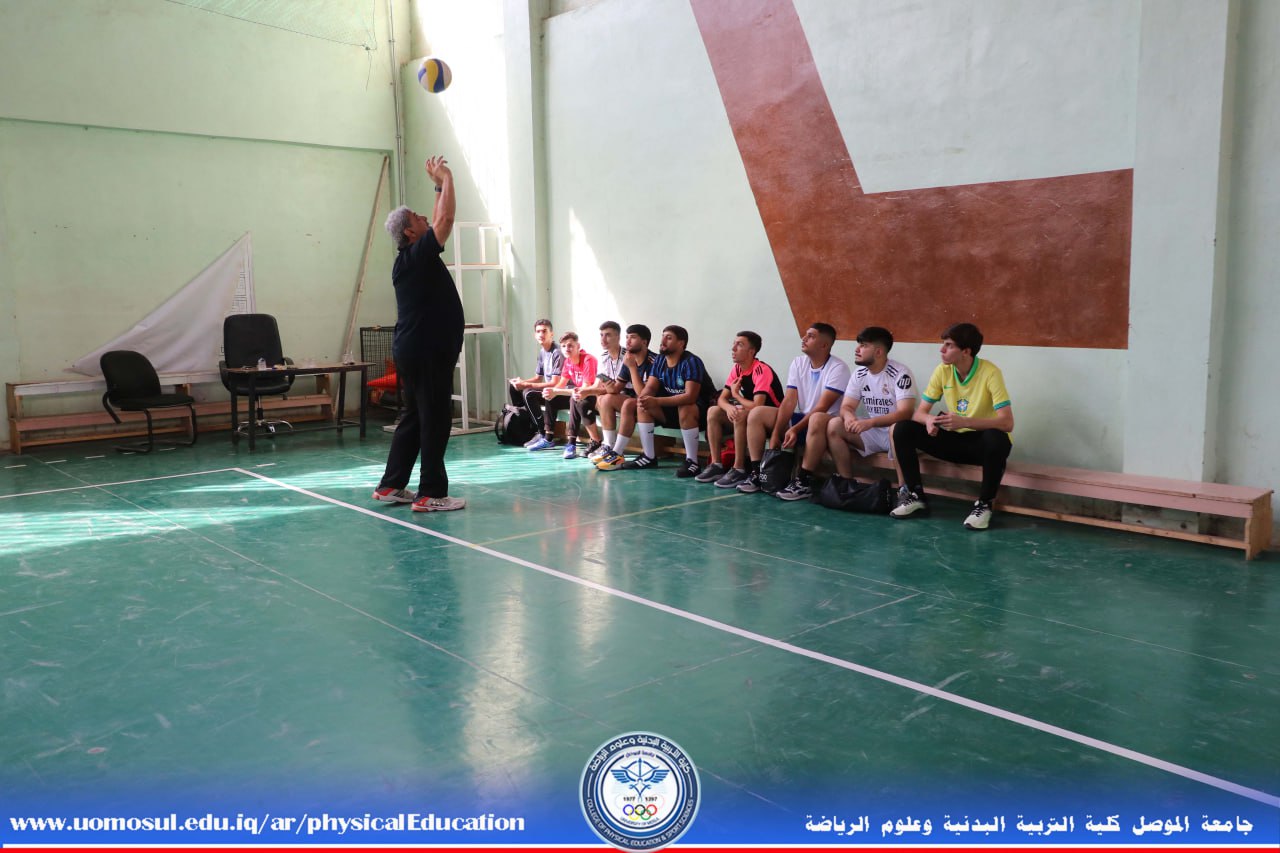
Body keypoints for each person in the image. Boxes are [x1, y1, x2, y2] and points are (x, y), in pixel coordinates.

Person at [371, 156, 465, 512]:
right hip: (427, 351)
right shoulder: (417, 255)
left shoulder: (412, 256)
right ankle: (431, 494)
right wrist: (448, 177)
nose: (425, 217)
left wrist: (438, 186)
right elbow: (446, 220)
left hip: (414, 350)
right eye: (417, 218)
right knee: (436, 419)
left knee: (414, 417)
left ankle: (391, 485)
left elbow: (436, 218)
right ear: (410, 233)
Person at [889, 322, 1013, 530]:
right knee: (903, 428)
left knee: (996, 438)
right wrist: (929, 420)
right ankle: (915, 495)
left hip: (980, 446)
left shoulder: (991, 372)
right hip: (954, 440)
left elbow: (1007, 423)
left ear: (966, 351)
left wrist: (966, 422)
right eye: (943, 344)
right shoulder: (943, 371)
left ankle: (984, 505)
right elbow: (918, 413)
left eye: (949, 345)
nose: (942, 349)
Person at [777, 326, 916, 501]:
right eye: (859, 344)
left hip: (897, 433)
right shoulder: (859, 374)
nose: (857, 349)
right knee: (835, 424)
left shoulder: (900, 373)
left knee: (896, 429)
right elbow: (847, 406)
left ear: (879, 352)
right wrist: (849, 417)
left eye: (863, 345)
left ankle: (905, 491)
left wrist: (870, 423)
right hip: (873, 432)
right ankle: (847, 484)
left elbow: (905, 413)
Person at [738, 323, 850, 494]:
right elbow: (789, 401)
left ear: (824, 345)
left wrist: (795, 429)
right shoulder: (798, 363)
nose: (804, 339)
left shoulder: (838, 368)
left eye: (811, 336)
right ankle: (758, 474)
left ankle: (803, 481)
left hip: (826, 425)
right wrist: (776, 433)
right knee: (756, 413)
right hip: (804, 420)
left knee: (816, 418)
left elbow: (822, 407)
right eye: (805, 334)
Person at [624, 325, 717, 477]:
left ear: (681, 343)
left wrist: (657, 401)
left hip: (700, 414)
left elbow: (690, 396)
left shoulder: (692, 361)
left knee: (686, 406)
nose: (663, 341)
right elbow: (651, 387)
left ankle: (692, 462)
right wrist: (644, 398)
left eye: (668, 338)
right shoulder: (660, 360)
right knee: (643, 404)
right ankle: (648, 456)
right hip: (672, 411)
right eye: (663, 336)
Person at [695, 331, 783, 488]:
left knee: (740, 414)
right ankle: (716, 465)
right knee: (713, 411)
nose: (733, 348)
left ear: (751, 351)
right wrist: (729, 407)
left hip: (774, 419)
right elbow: (721, 399)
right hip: (753, 417)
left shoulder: (761, 369)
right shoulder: (737, 369)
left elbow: (758, 405)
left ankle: (739, 468)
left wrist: (735, 395)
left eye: (740, 345)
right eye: (734, 344)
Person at [595, 324, 658, 471]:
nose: (628, 341)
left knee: (630, 403)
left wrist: (632, 367)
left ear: (644, 342)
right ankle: (609, 446)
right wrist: (609, 386)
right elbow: (616, 388)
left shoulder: (654, 361)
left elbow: (644, 394)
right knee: (606, 399)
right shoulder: (629, 359)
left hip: (655, 405)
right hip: (638, 402)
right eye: (627, 337)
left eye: (633, 337)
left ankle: (617, 453)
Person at [572, 321, 626, 462]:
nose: (603, 339)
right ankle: (598, 442)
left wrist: (588, 391)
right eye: (601, 335)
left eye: (608, 335)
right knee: (581, 400)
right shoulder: (603, 357)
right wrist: (584, 391)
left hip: (627, 397)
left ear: (618, 337)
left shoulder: (627, 357)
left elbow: (617, 389)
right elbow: (598, 385)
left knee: (604, 399)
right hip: (609, 396)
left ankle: (609, 445)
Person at [539, 331, 599, 459]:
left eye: (570, 345)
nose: (567, 348)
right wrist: (550, 391)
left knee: (575, 399)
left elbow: (585, 388)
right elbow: (561, 384)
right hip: (579, 394)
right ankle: (548, 437)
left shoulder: (588, 359)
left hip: (594, 395)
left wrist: (556, 391)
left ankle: (572, 443)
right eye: (564, 346)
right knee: (551, 398)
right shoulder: (568, 362)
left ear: (578, 346)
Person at [509, 319, 564, 450]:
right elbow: (538, 378)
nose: (541, 334)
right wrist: (521, 382)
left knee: (528, 393)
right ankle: (526, 426)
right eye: (538, 331)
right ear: (535, 335)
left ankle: (542, 433)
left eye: (544, 331)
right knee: (514, 388)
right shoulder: (542, 352)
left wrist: (525, 385)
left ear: (551, 334)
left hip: (560, 392)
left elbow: (555, 383)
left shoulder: (557, 352)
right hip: (549, 390)